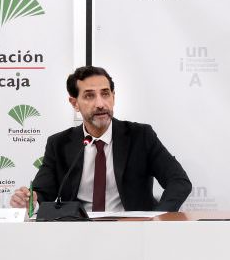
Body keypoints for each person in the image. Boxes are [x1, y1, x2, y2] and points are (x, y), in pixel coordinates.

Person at [10, 66, 191, 212]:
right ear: (74, 103)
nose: (100, 104)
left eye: (105, 94)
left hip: (133, 231)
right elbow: (42, 193)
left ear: (113, 97)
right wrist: (30, 200)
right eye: (89, 95)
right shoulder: (59, 144)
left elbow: (179, 181)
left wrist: (157, 217)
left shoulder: (140, 136)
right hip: (77, 232)